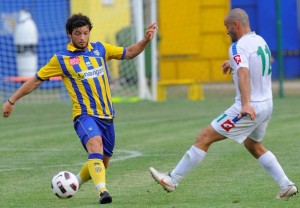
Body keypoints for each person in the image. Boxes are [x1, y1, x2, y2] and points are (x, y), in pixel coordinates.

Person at [2, 13, 157, 204]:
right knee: (95, 144)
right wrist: (11, 100)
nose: (82, 37)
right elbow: (35, 81)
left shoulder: (101, 49)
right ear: (69, 34)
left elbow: (129, 52)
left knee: (102, 162)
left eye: (85, 33)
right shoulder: (61, 59)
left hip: (107, 116)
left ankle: (75, 181)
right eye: (77, 33)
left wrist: (145, 40)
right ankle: (103, 192)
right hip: (84, 115)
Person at [149, 8, 298, 200]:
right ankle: (285, 185)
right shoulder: (260, 41)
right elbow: (261, 61)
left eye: (227, 27)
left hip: (248, 108)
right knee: (253, 145)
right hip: (266, 105)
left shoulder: (237, 46)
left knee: (204, 137)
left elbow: (244, 72)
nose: (226, 32)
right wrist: (233, 63)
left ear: (236, 25)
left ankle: (172, 179)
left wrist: (245, 104)